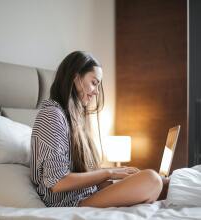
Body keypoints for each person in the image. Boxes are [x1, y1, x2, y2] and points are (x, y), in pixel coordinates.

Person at [30, 51, 166, 208]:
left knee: (164, 182)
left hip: (88, 193)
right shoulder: (51, 116)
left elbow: (81, 171)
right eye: (94, 83)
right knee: (151, 180)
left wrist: (119, 171)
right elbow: (57, 182)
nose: (96, 92)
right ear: (76, 77)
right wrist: (109, 173)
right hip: (70, 203)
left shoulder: (74, 118)